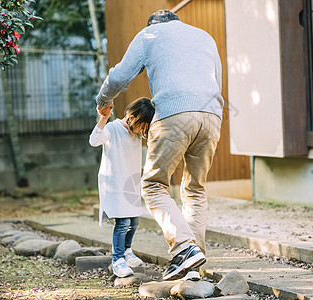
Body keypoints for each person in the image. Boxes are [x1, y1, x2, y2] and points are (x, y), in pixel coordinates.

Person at [95, 10, 223, 281]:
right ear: (177, 23)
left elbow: (119, 78)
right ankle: (193, 268)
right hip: (212, 116)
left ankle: (185, 249)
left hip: (174, 114)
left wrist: (104, 98)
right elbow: (217, 82)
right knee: (195, 189)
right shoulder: (204, 36)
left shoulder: (149, 34)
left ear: (153, 25)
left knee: (153, 185)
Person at [89, 97, 155, 278]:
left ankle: (127, 251)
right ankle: (117, 260)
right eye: (141, 126)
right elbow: (94, 140)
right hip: (114, 182)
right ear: (132, 117)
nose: (142, 131)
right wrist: (103, 118)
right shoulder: (113, 128)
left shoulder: (136, 133)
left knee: (134, 221)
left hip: (130, 182)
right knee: (123, 222)